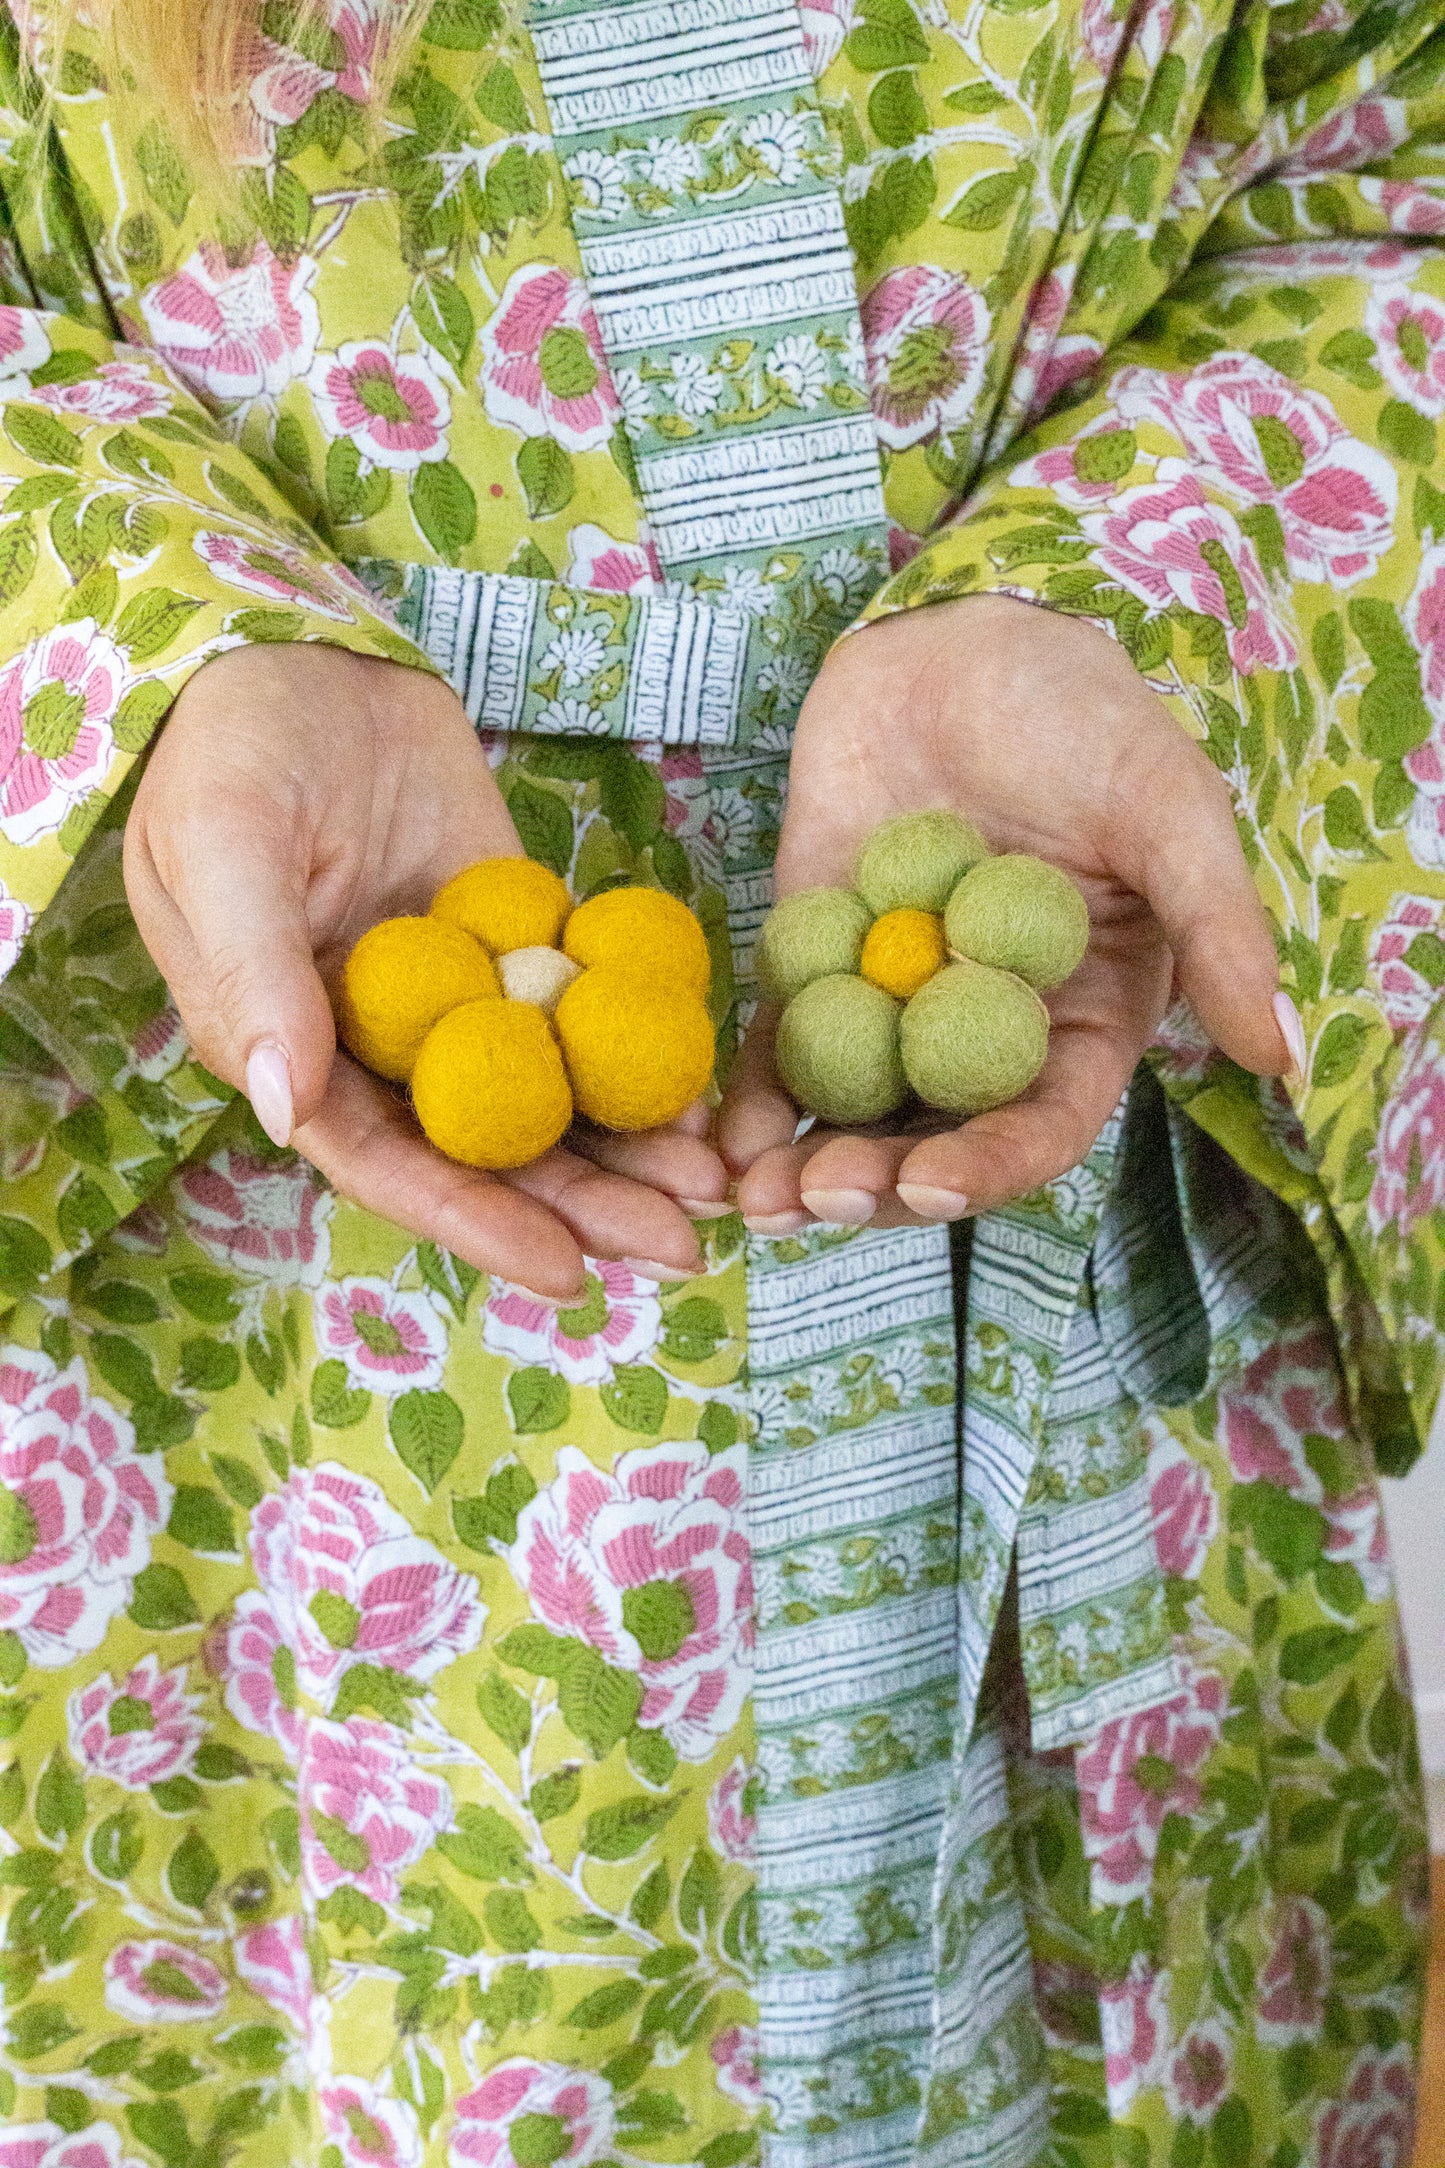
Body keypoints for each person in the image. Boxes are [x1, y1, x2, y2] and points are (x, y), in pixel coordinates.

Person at [0, 0, 1439, 2159]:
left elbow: (1387, 142)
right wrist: (158, 629)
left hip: (1056, 1135)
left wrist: (1128, 582)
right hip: (257, 1290)